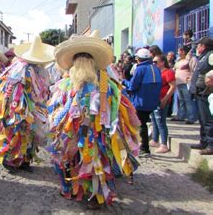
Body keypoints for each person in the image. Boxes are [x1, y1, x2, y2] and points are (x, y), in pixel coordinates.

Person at [47, 31, 140, 209]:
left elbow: (103, 109)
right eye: (77, 59)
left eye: (82, 59)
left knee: (94, 162)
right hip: (75, 130)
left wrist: (88, 127)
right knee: (74, 159)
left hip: (95, 132)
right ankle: (75, 189)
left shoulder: (103, 82)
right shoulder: (71, 83)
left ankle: (95, 196)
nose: (78, 63)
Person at [0, 36, 55, 173]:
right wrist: (17, 109)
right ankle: (8, 160)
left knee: (30, 135)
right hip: (18, 108)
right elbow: (11, 90)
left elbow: (43, 90)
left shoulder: (41, 71)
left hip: (35, 108)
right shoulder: (20, 68)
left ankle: (25, 160)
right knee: (16, 133)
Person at [123, 48, 162, 157]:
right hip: (152, 101)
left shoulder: (140, 69)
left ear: (139, 59)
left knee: (141, 124)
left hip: (141, 102)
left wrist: (123, 82)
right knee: (145, 122)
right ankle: (145, 145)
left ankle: (144, 148)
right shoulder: (155, 68)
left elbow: (133, 85)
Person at [189, 37, 213, 155]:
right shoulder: (203, 56)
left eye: (198, 45)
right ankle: (204, 142)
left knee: (208, 120)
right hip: (200, 92)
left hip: (206, 92)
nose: (197, 47)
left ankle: (211, 145)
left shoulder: (211, 55)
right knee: (203, 119)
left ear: (204, 46)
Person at [149, 55, 176, 153]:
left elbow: (173, 87)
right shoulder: (156, 72)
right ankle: (155, 140)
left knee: (161, 122)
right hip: (154, 100)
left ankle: (164, 144)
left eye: (156, 62)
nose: (154, 64)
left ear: (162, 62)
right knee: (154, 121)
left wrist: (165, 99)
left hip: (161, 100)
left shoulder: (168, 72)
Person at [172, 46, 197, 123]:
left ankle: (191, 118)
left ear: (183, 51)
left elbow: (194, 70)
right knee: (181, 101)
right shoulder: (178, 60)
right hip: (178, 83)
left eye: (179, 51)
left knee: (188, 100)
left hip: (186, 83)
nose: (178, 53)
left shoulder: (191, 59)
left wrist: (191, 79)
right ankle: (181, 116)